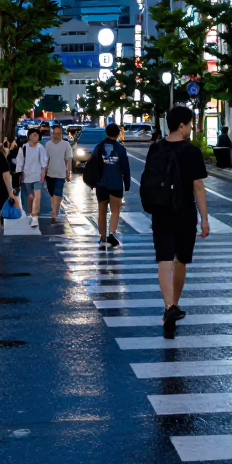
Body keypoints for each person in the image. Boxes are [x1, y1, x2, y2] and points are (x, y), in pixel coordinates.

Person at [140, 104, 209, 335]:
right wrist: (205, 218)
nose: (190, 128)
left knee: (164, 259)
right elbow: (198, 187)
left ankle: (168, 306)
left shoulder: (155, 149)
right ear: (181, 125)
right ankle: (174, 305)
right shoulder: (192, 151)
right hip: (184, 212)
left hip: (160, 211)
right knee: (180, 260)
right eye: (189, 124)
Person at [92, 122, 131, 248]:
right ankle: (112, 233)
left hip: (101, 184)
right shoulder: (120, 149)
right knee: (115, 210)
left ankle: (102, 236)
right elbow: (125, 168)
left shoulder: (99, 147)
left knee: (102, 210)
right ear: (118, 133)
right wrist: (127, 184)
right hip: (116, 184)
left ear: (106, 133)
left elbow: (93, 165)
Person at [16, 129, 48, 229]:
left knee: (37, 196)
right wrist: (19, 174)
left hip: (38, 176)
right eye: (34, 135)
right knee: (30, 197)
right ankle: (30, 213)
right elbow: (19, 162)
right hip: (27, 176)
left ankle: (35, 217)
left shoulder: (40, 148)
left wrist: (43, 172)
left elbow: (44, 162)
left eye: (37, 135)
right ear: (29, 136)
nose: (36, 137)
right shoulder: (23, 148)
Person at [45, 123, 72, 222]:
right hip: (50, 173)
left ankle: (54, 212)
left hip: (61, 173)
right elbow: (45, 159)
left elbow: (68, 159)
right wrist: (43, 172)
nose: (57, 135)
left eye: (59, 133)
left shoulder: (66, 144)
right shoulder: (48, 144)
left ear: (61, 134)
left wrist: (68, 172)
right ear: (52, 134)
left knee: (58, 192)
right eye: (55, 133)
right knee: (52, 193)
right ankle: (54, 209)